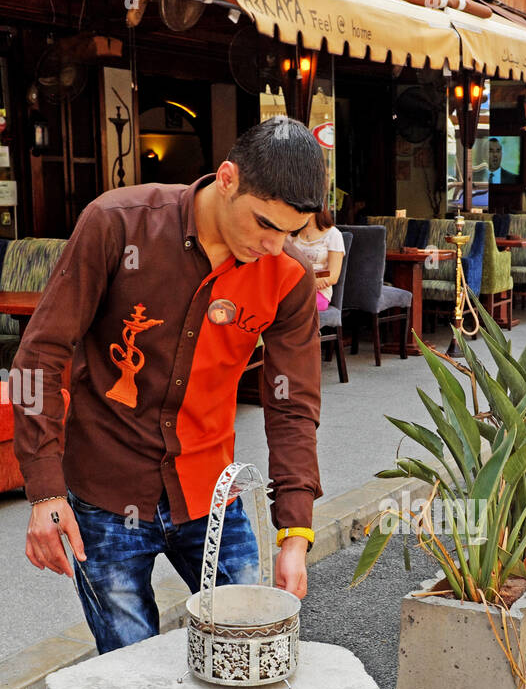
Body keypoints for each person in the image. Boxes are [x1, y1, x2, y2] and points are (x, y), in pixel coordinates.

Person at [12, 116, 326, 654]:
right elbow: (39, 353)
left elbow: (292, 407)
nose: (275, 247)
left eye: (291, 233)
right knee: (131, 668)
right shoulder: (118, 224)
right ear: (226, 178)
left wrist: (294, 533)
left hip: (211, 492)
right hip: (105, 492)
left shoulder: (287, 276)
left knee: (250, 650)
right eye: (264, 225)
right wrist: (44, 490)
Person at [284, 206, 345, 310]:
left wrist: (309, 282)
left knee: (288, 305)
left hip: (318, 292)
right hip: (292, 287)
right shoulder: (290, 234)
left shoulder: (333, 235)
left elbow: (333, 276)